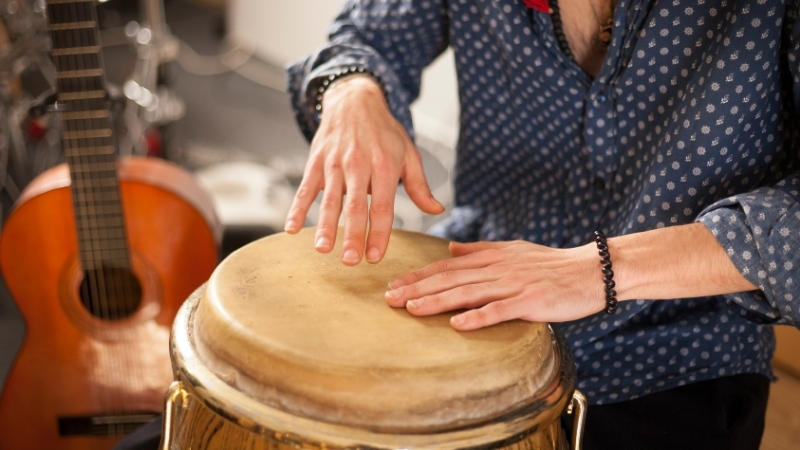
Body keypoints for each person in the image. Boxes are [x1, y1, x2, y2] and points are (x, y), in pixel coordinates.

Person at [285, 0, 800, 449]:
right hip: (478, 291)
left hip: (681, 346)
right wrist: (351, 92)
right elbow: (367, 37)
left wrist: (601, 268)